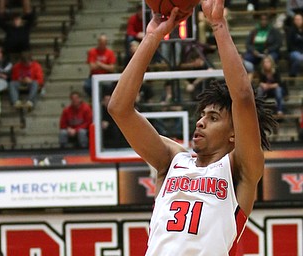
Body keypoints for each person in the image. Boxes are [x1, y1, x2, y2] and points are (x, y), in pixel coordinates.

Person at [107, 1, 276, 254]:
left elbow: (242, 97)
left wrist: (218, 25)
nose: (200, 121)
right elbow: (119, 108)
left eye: (213, 118)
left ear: (234, 134)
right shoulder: (171, 159)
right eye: (202, 115)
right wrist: (152, 36)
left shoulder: (240, 169)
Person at [83, 34, 116, 99]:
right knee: (87, 86)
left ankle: (104, 100)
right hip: (94, 75)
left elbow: (112, 68)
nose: (102, 45)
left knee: (110, 86)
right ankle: (95, 99)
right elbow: (92, 67)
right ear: (98, 42)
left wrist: (100, 64)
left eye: (104, 43)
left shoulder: (110, 53)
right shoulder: (92, 52)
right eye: (101, 43)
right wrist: (106, 66)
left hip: (106, 76)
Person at [287, 13, 303, 77]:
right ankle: (293, 73)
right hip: (294, 51)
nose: (298, 21)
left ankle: (292, 73)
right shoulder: (290, 31)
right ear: (294, 21)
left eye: (299, 19)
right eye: (296, 19)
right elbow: (290, 45)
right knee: (300, 58)